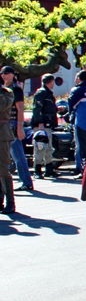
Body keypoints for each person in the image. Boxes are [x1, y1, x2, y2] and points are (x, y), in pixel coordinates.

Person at [0, 66, 33, 192]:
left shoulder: (15, 89)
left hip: (12, 123)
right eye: (2, 73)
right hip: (7, 124)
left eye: (7, 73)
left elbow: (20, 109)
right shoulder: (4, 89)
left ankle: (26, 182)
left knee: (18, 155)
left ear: (13, 75)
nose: (4, 75)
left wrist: (20, 128)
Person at [30, 74, 59, 178]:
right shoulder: (41, 93)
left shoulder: (48, 94)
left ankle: (49, 169)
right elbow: (37, 109)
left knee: (48, 148)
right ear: (50, 82)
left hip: (47, 124)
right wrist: (40, 123)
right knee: (40, 147)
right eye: (53, 82)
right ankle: (37, 171)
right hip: (41, 125)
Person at [0, 80, 15, 213]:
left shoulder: (6, 93)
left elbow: (2, 106)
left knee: (3, 169)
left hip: (2, 134)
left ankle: (10, 202)